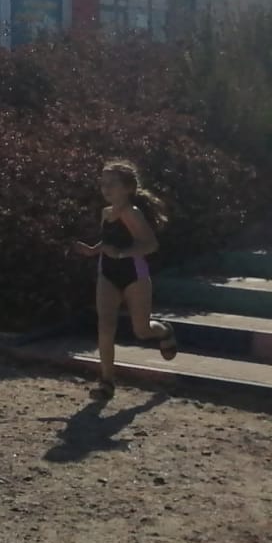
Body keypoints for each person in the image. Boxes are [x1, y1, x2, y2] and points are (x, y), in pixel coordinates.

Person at [72, 159, 177, 398]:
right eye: (103, 184)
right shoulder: (106, 213)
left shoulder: (133, 213)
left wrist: (121, 254)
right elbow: (109, 240)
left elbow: (150, 245)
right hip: (107, 274)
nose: (106, 189)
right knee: (105, 327)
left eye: (112, 184)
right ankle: (106, 382)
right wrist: (92, 250)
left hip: (134, 275)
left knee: (141, 330)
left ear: (128, 188)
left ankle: (164, 332)